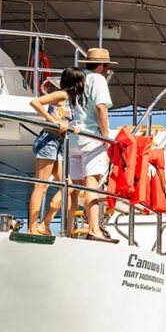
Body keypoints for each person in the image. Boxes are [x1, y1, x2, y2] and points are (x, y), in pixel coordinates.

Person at [27, 67, 84, 236]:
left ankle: (45, 223)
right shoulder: (62, 95)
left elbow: (63, 118)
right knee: (41, 186)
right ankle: (32, 228)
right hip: (49, 141)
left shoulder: (72, 100)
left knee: (68, 186)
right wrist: (54, 121)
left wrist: (70, 126)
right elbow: (36, 102)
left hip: (58, 143)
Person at [66, 48, 115, 242]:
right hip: (92, 139)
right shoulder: (98, 80)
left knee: (74, 189)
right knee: (91, 186)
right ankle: (93, 229)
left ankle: (68, 229)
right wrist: (106, 136)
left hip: (74, 140)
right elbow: (101, 107)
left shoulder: (78, 79)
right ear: (102, 66)